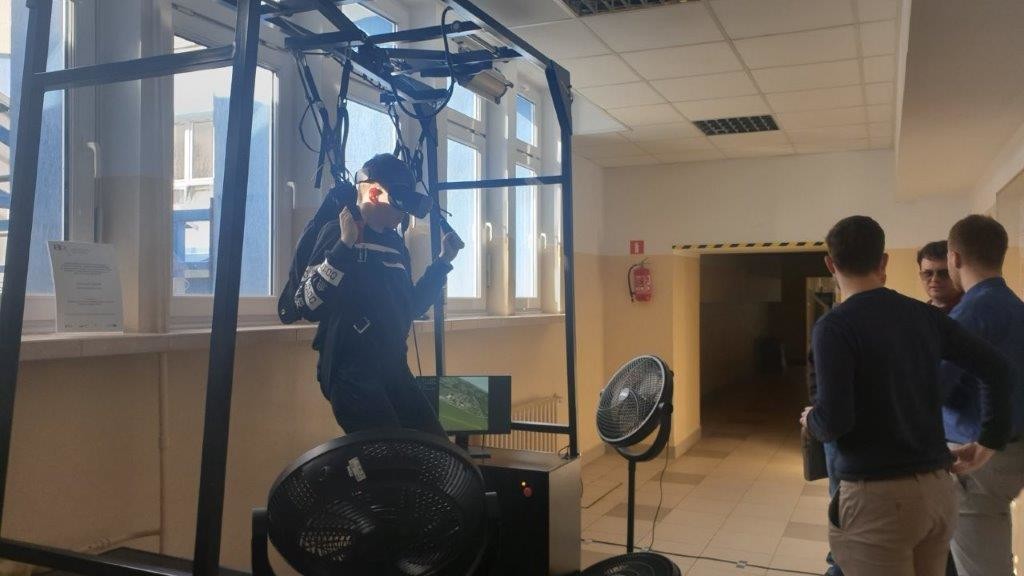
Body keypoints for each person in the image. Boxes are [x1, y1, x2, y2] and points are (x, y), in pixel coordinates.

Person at [801, 215, 1013, 576]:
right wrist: (989, 441)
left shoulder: (834, 327)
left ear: (830, 264)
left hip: (877, 499)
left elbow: (835, 421)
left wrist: (811, 420)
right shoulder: (923, 315)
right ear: (883, 261)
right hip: (936, 492)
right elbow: (998, 369)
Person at [279, 153, 462, 436]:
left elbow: (410, 307)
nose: (402, 215)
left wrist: (442, 262)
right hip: (351, 373)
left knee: (435, 450)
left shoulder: (395, 244)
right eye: (399, 204)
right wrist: (344, 246)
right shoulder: (336, 233)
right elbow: (306, 304)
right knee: (389, 455)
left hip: (393, 367)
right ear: (374, 194)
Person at [942, 215, 1024, 576]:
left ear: (954, 257)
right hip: (1010, 452)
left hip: (974, 458)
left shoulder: (969, 314)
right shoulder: (1015, 307)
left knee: (981, 569)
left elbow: (936, 385)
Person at [918, 241, 963, 313]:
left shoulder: (971, 309)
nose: (935, 279)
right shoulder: (919, 313)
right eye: (928, 273)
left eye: (944, 273)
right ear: (921, 275)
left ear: (958, 273)